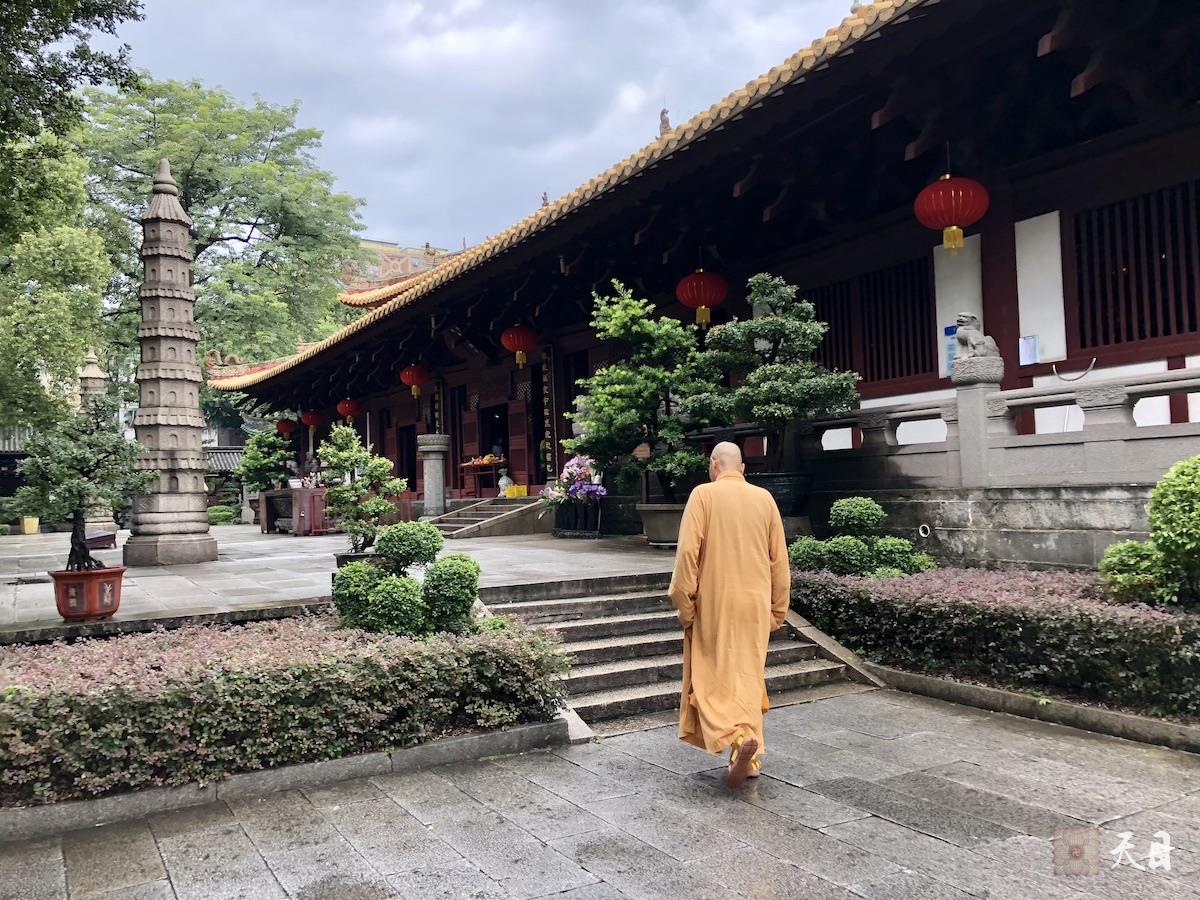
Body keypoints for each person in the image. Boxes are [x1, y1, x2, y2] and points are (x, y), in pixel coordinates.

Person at [668, 441, 790, 787]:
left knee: (711, 680)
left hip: (715, 602)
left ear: (713, 464)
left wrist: (685, 606)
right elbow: (779, 561)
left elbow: (687, 557)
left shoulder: (703, 495)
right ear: (743, 468)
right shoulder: (764, 499)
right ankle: (749, 757)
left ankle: (737, 738)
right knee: (747, 677)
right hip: (754, 604)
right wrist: (777, 611)